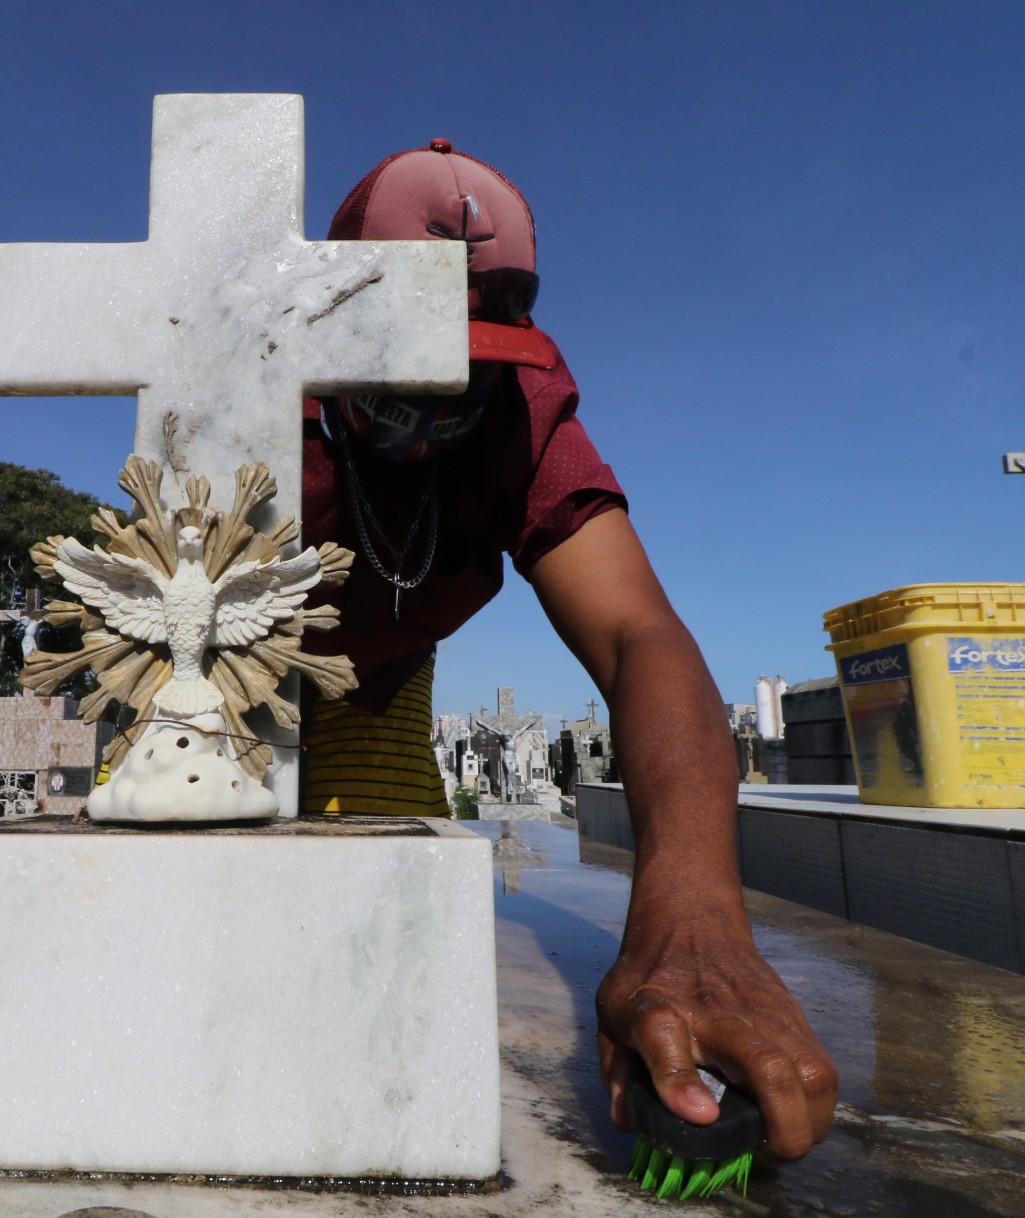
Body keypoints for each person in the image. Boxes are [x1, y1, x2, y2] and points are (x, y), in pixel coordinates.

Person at [299, 140, 838, 1161]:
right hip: (229, 676)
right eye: (410, 357)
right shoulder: (261, 405)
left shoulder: (519, 418)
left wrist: (694, 918)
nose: (441, 396)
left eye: (470, 359)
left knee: (381, 955)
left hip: (383, 680)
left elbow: (639, 633)